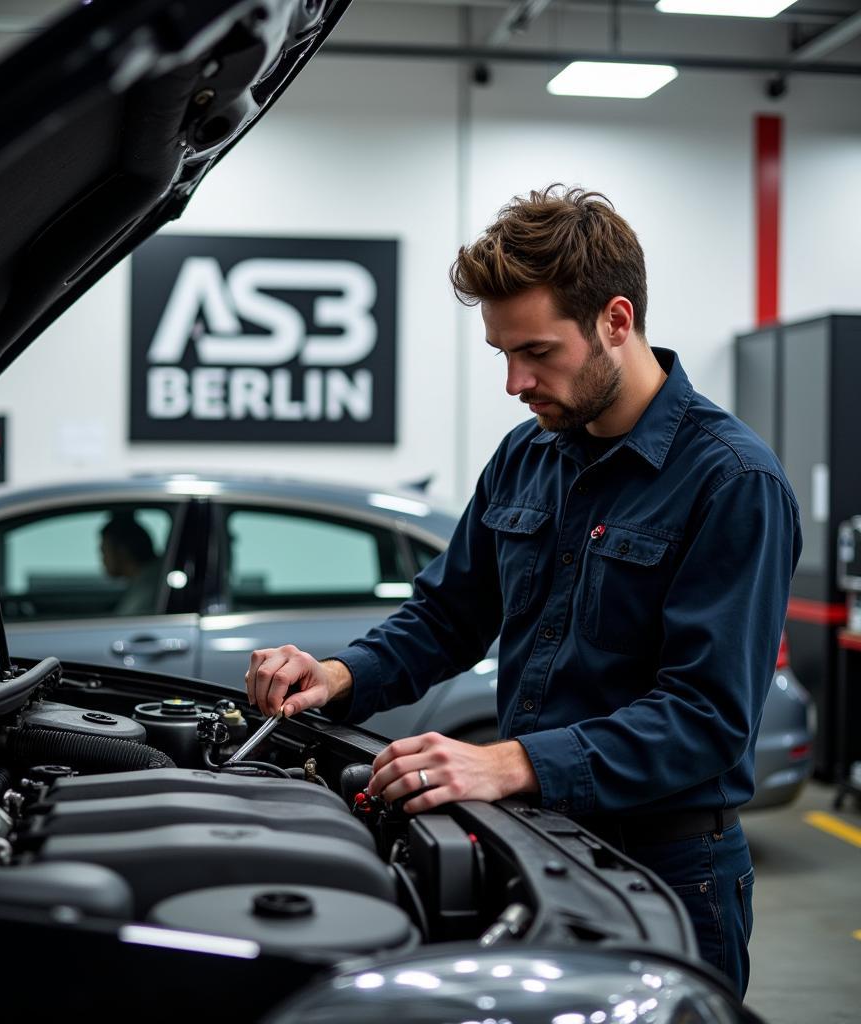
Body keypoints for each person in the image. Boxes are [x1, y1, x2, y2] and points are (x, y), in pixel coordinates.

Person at [244, 185, 801, 999]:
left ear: (617, 319)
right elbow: (449, 614)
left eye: (538, 352)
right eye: (503, 354)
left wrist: (511, 762)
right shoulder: (528, 454)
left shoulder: (732, 482)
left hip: (669, 876)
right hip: (536, 845)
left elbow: (706, 721)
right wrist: (339, 676)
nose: (515, 382)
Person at [99, 512, 160, 615]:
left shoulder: (146, 590)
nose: (103, 560)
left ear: (122, 551)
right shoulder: (146, 580)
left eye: (104, 552)